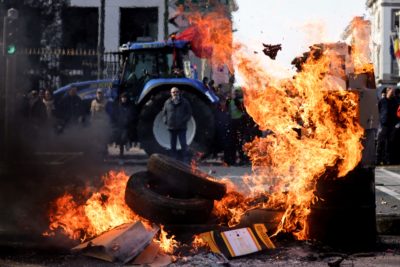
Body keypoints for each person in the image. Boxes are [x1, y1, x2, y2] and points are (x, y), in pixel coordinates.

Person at [162, 87, 192, 162]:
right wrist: (166, 121)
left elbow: (189, 113)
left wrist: (184, 120)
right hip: (171, 128)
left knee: (183, 144)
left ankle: (185, 161)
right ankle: (173, 160)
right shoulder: (167, 102)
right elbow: (164, 113)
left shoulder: (185, 102)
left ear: (179, 93)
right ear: (171, 93)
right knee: (173, 145)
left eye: (177, 92)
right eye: (173, 92)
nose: (175, 93)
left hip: (182, 127)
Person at [376, 87, 398, 165]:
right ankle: (378, 159)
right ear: (387, 92)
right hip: (383, 125)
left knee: (389, 143)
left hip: (392, 125)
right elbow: (378, 111)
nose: (392, 93)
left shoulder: (395, 102)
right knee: (380, 142)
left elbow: (397, 113)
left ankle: (387, 159)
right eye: (391, 92)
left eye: (393, 92)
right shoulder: (382, 101)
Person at [112, 92, 134, 159]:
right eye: (122, 98)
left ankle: (127, 143)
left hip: (126, 126)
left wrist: (128, 120)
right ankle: (121, 153)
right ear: (121, 99)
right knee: (120, 140)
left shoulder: (129, 106)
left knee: (123, 138)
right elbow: (115, 114)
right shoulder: (119, 106)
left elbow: (132, 115)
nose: (124, 99)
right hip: (119, 126)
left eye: (125, 98)